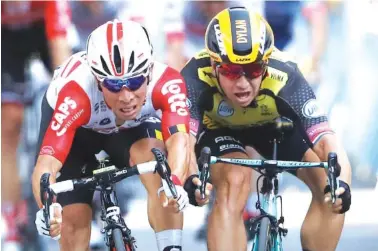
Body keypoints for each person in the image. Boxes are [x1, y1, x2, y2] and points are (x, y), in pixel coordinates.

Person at [181, 7, 352, 251]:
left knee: (329, 181)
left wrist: (342, 184)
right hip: (219, 131)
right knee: (235, 179)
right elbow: (184, 139)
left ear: (266, 62)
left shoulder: (285, 74)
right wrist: (191, 176)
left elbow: (326, 139)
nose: (242, 83)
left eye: (253, 71)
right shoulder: (194, 74)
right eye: (231, 71)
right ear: (213, 64)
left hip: (271, 127)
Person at [32, 20, 210, 251]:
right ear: (97, 80)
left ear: (148, 72)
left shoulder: (167, 81)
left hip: (130, 130)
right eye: (114, 86)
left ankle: (171, 246)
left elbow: (178, 139)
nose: (126, 96)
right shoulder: (76, 94)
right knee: (73, 218)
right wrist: (47, 209)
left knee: (159, 167)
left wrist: (175, 181)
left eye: (135, 82)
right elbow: (46, 165)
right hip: (79, 134)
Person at [1, 1, 72, 249]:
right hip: (5, 38)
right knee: (9, 123)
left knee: (70, 111)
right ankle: (11, 221)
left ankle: (80, 206)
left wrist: (67, 95)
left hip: (42, 31)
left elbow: (60, 47)